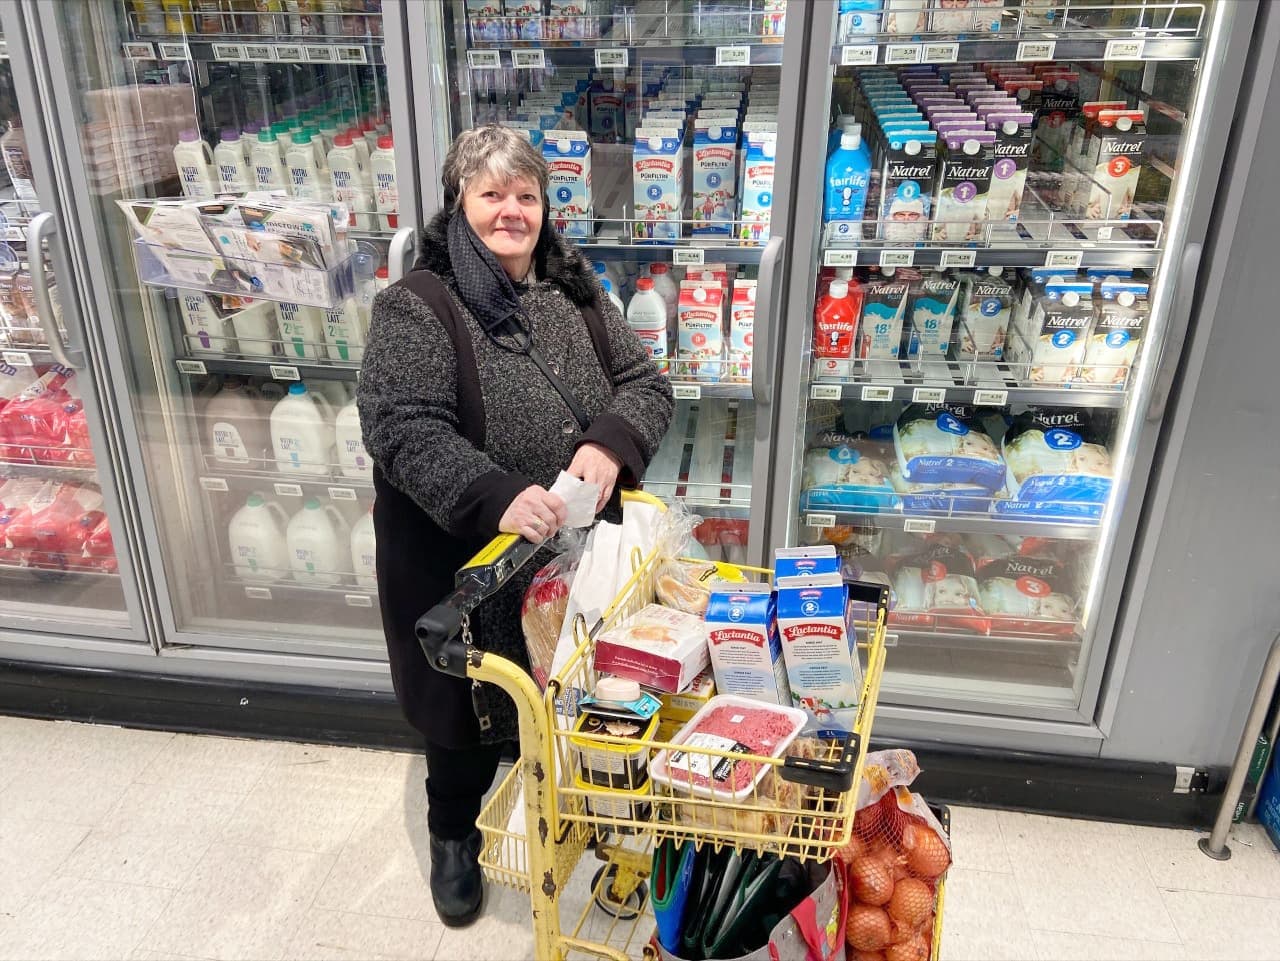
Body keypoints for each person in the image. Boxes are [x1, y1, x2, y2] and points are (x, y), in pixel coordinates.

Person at [356, 125, 674, 927]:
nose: (511, 211)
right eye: (491, 193)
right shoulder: (419, 305)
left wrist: (611, 441)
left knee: (562, 696)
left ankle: (568, 809)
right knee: (463, 718)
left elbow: (646, 380)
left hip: (566, 561)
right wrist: (494, 492)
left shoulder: (574, 290)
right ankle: (453, 833)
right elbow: (401, 427)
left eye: (525, 195)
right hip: (465, 561)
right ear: (458, 203)